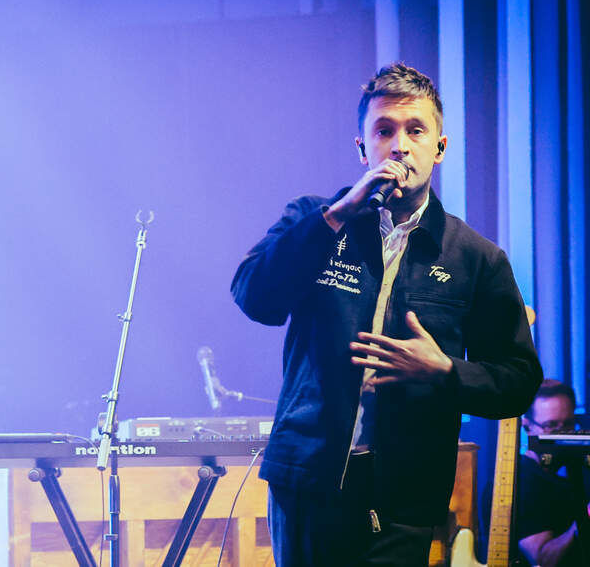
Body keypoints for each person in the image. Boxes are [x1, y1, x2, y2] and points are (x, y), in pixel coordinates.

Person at [231, 62, 542, 566]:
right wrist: (337, 214)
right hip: (309, 483)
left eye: (416, 130)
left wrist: (446, 371)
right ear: (363, 149)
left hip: (405, 496)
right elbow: (254, 297)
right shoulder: (314, 218)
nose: (400, 146)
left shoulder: (476, 258)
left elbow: (519, 380)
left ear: (439, 148)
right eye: (384, 131)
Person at [512, 379, 590, 567]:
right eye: (551, 425)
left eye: (568, 425)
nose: (562, 434)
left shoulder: (575, 470)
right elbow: (544, 560)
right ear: (527, 426)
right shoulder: (518, 482)